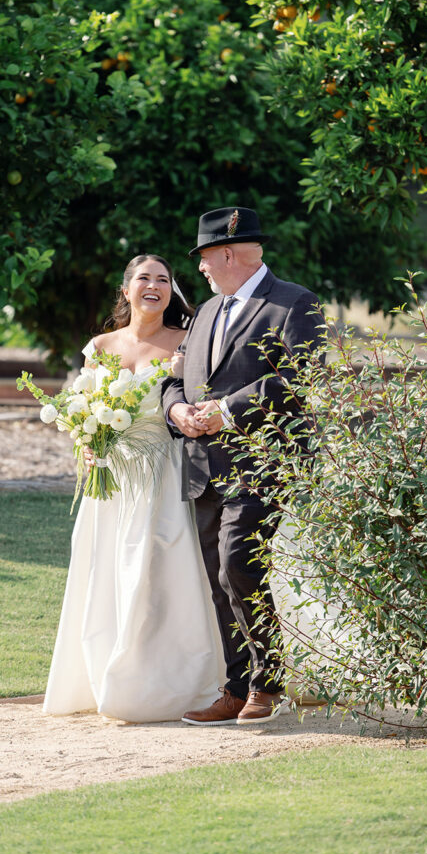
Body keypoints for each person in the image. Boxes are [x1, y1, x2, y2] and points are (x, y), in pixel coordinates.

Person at [43, 254, 224, 722]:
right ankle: (102, 675)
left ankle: (161, 681)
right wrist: (85, 442)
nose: (154, 285)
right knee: (105, 571)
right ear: (125, 290)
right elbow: (80, 409)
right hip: (111, 481)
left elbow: (193, 405)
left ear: (171, 293)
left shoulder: (187, 344)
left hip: (163, 475)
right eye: (144, 278)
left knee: (156, 571)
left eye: (163, 280)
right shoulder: (99, 346)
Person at [162, 207, 326, 725]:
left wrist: (227, 410)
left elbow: (301, 379)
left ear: (228, 253)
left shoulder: (295, 303)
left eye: (205, 259)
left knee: (238, 562)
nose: (202, 270)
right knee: (218, 577)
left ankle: (266, 682)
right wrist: (178, 410)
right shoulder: (207, 311)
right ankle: (235, 688)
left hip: (263, 462)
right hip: (202, 464)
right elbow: (175, 377)